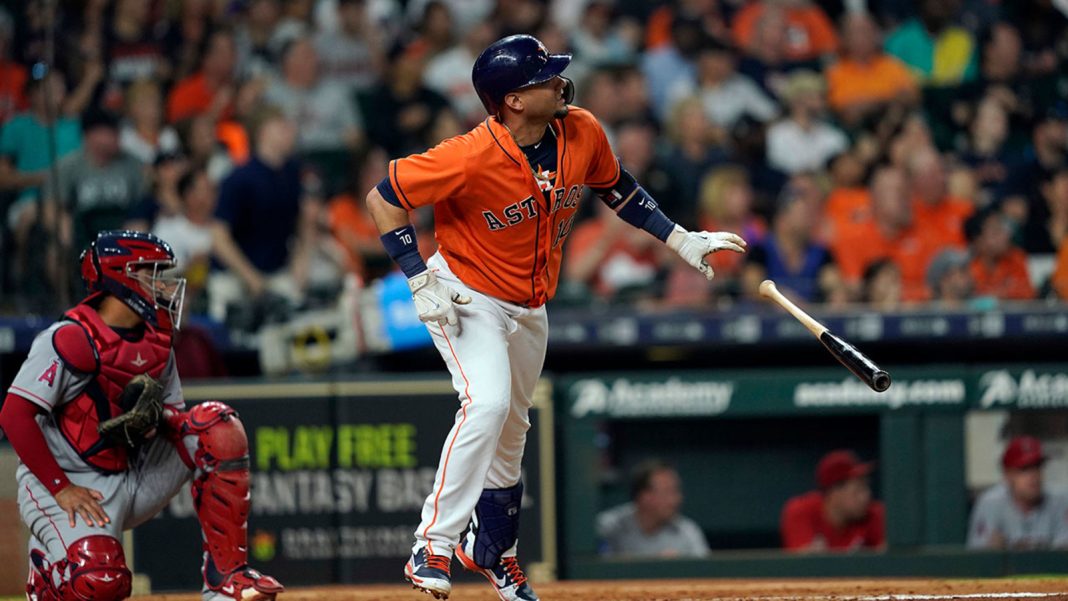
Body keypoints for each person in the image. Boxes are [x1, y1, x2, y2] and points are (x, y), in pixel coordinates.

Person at [365, 34, 745, 601]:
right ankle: (433, 542)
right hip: (465, 294)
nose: (558, 81)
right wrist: (417, 276)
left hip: (530, 302)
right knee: (486, 403)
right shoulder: (468, 153)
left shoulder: (582, 129)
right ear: (513, 101)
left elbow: (617, 188)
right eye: (543, 77)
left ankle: (493, 551)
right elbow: (383, 197)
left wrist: (680, 238)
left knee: (512, 434)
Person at [0, 230, 283, 600]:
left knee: (218, 427)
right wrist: (61, 487)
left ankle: (226, 578)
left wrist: (156, 417)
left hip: (132, 472)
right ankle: (49, 575)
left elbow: (176, 418)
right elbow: (14, 415)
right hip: (67, 483)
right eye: (151, 273)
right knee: (102, 583)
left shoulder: (157, 338)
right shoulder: (68, 338)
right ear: (120, 279)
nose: (163, 284)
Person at [967, 436, 1068, 550]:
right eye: (1024, 469)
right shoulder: (990, 503)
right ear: (1008, 475)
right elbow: (978, 555)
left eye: (1037, 466)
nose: (1033, 475)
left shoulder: (1061, 500)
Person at [596, 460, 710, 559]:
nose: (677, 499)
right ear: (645, 497)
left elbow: (707, 575)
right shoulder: (609, 525)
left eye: (676, 491)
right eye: (669, 491)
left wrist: (678, 568)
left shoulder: (688, 531)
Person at [781, 450, 886, 552]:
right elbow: (802, 564)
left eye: (866, 487)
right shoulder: (801, 510)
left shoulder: (874, 513)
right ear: (834, 492)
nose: (866, 496)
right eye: (858, 490)